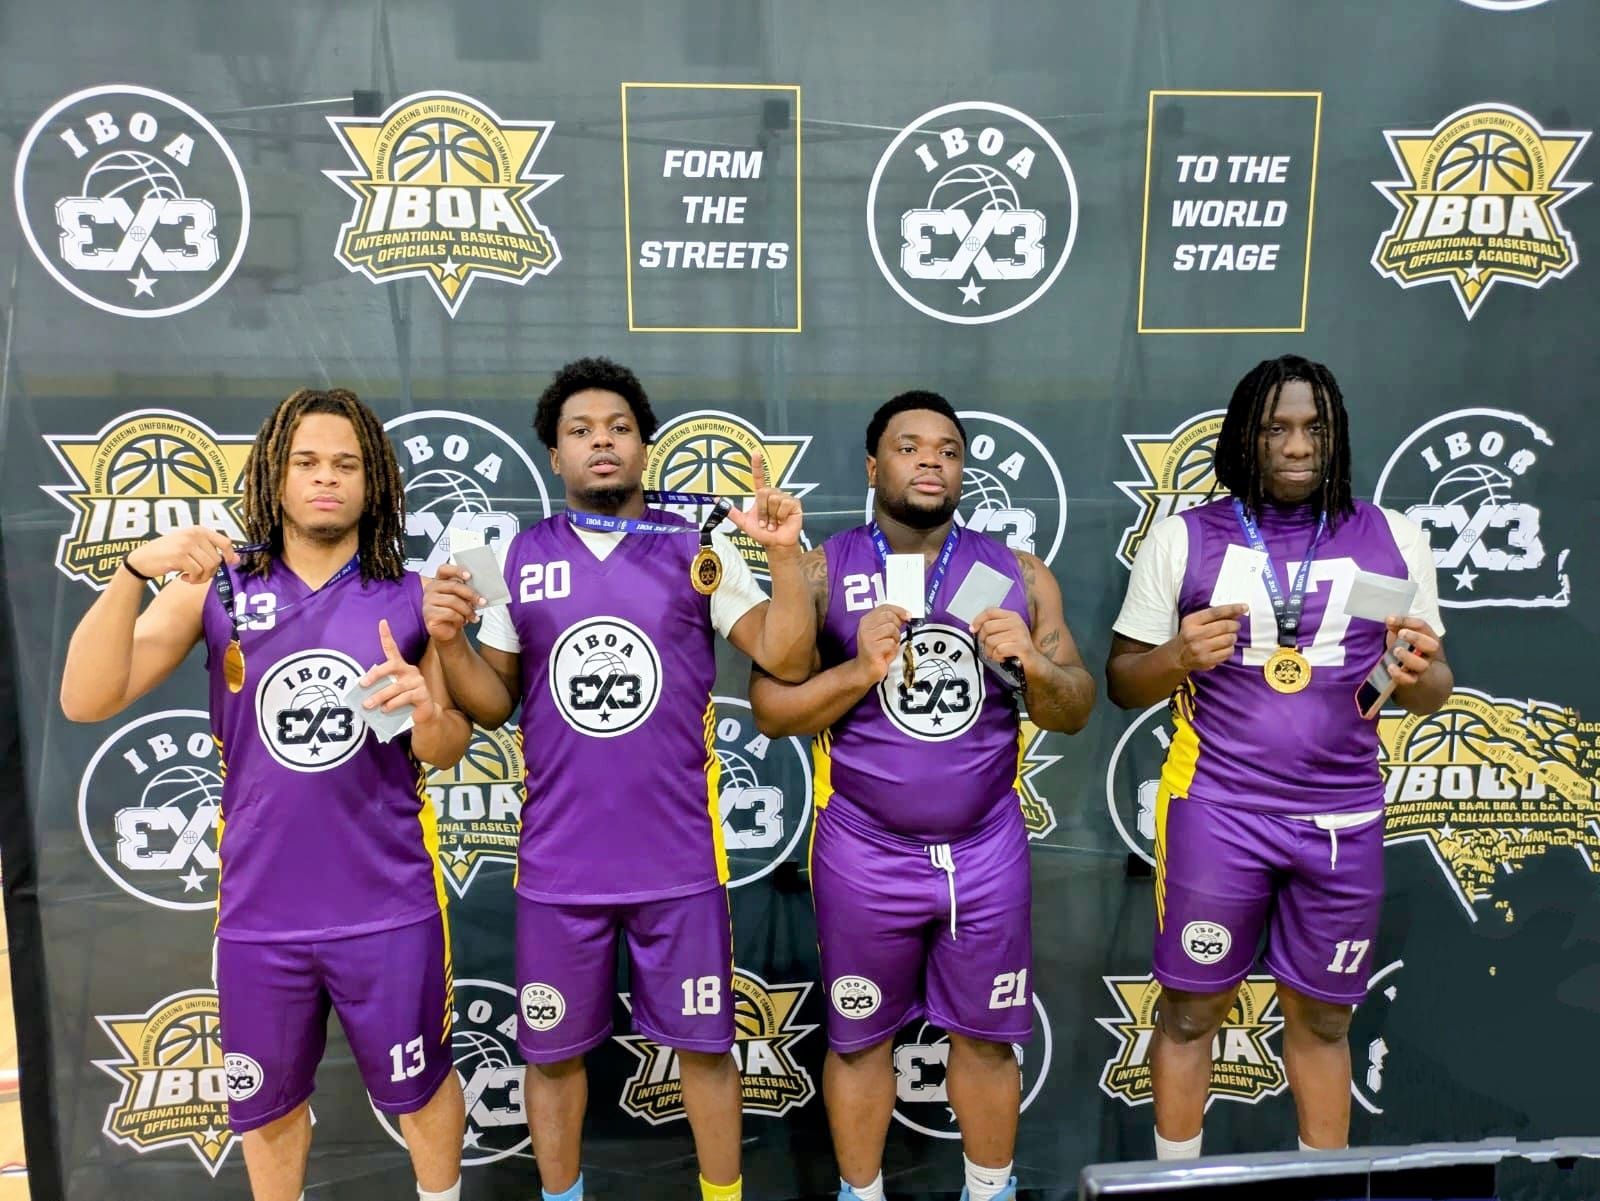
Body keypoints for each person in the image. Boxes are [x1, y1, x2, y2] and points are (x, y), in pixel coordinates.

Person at [59, 388, 470, 1201]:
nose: (327, 478)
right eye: (307, 462)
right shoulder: (216, 586)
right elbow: (86, 696)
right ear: (274, 477)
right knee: (268, 1109)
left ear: (374, 481)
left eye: (346, 464)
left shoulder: (409, 594)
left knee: (421, 1094)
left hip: (388, 905)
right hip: (260, 916)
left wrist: (426, 709)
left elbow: (449, 743)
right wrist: (137, 570)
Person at [422, 356, 815, 1201]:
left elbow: (785, 653)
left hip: (678, 862)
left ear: (644, 447)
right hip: (562, 866)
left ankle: (724, 1195)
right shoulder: (518, 556)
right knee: (552, 1054)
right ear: (555, 457)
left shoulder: (697, 544)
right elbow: (492, 705)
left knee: (708, 1046)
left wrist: (783, 557)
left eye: (619, 428)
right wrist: (452, 643)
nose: (601, 442)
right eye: (579, 431)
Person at [749, 391, 1096, 1201]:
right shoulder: (825, 567)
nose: (931, 459)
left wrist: (1037, 669)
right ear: (874, 468)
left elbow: (1076, 706)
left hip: (985, 846)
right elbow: (771, 709)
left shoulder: (1016, 572)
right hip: (867, 849)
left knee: (987, 1038)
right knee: (861, 1039)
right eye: (909, 447)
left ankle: (991, 1190)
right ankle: (861, 1193)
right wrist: (857, 671)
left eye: (947, 447)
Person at [1106, 355, 1452, 1159]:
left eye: (1315, 427)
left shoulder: (1392, 536)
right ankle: (1175, 1184)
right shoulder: (1186, 536)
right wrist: (1180, 656)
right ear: (1244, 438)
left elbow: (1430, 686)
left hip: (1343, 819)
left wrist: (1419, 669)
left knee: (1326, 1018)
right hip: (1217, 812)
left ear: (1337, 437)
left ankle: (1317, 1182)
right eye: (1276, 427)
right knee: (1192, 1011)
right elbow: (1125, 681)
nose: (1297, 445)